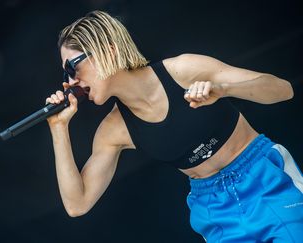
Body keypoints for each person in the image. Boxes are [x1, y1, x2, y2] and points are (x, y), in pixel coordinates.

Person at [45, 10, 303, 242]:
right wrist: (58, 129)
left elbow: (283, 90)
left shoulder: (184, 69)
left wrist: (224, 90)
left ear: (107, 50)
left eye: (72, 67)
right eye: (65, 74)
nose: (70, 81)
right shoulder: (114, 129)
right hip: (214, 207)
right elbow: (77, 205)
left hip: (265, 180)